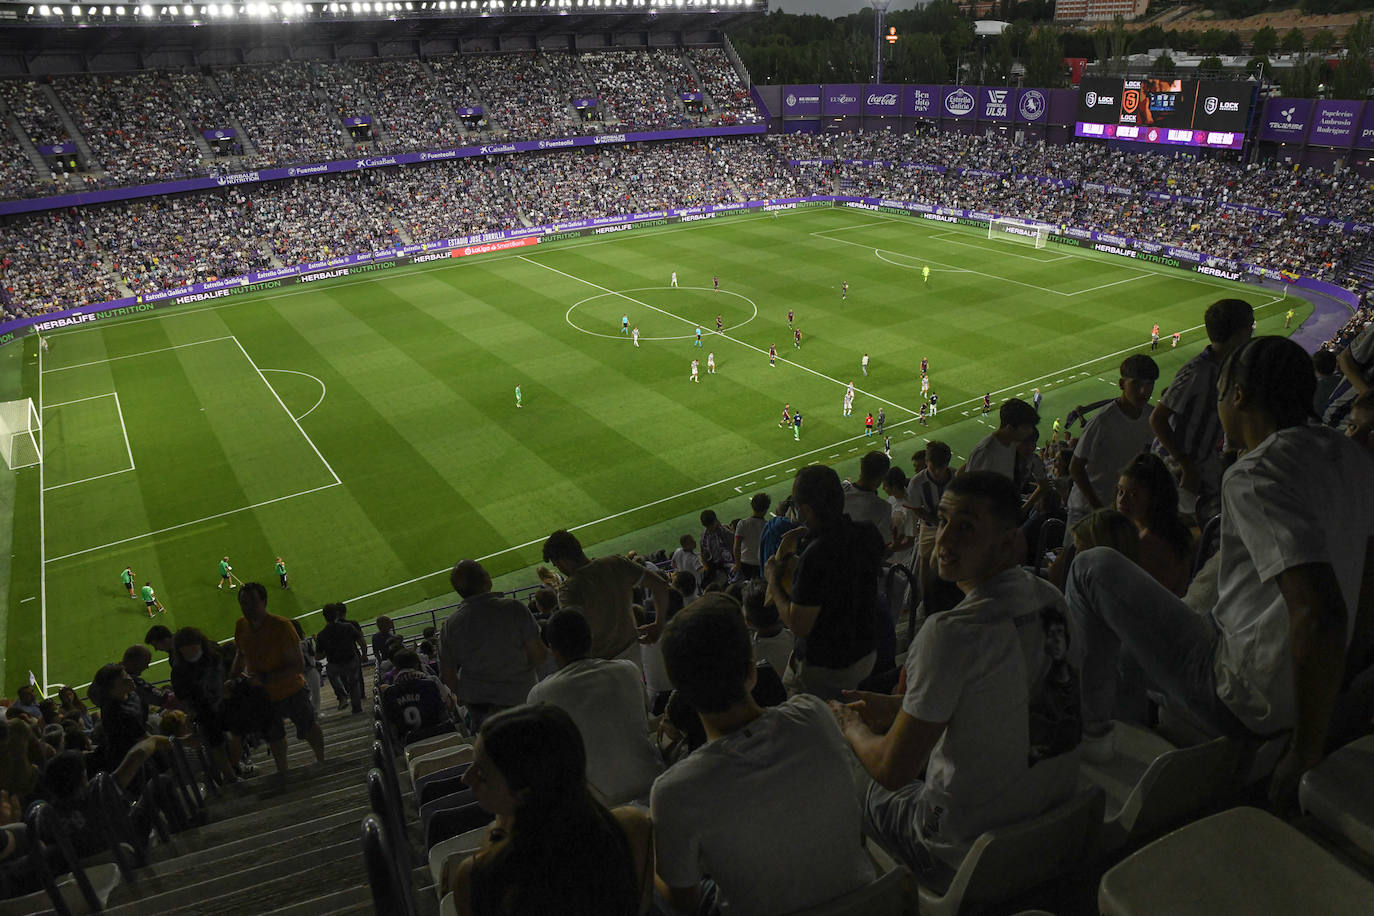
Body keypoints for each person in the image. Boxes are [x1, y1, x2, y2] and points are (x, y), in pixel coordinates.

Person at [1066, 337, 1374, 810]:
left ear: (1238, 396)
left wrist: (1306, 750)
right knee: (1155, 625)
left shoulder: (1257, 474)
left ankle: (1090, 735)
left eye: (1220, 392)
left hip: (1243, 694)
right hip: (1307, 682)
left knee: (1091, 567)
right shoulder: (1351, 456)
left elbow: (1320, 610)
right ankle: (1133, 721)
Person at [833, 471, 1081, 874]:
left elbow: (892, 771)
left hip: (963, 850)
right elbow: (1005, 695)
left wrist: (848, 725)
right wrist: (901, 706)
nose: (945, 539)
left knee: (846, 763)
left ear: (1008, 542)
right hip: (1053, 821)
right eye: (944, 520)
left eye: (965, 527)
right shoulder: (1050, 598)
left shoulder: (950, 633)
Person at [652, 595, 875, 914]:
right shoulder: (814, 714)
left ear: (682, 694)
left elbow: (683, 904)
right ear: (751, 670)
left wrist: (649, 857)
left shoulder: (672, 793)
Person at [439, 705, 652, 916]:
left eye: (482, 773)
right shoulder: (631, 827)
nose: (466, 778)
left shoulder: (476, 877)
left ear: (525, 791)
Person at [765, 464, 883, 700]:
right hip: (866, 652)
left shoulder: (816, 556)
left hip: (827, 669)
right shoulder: (869, 532)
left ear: (807, 510)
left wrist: (773, 581)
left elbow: (799, 626)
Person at [527, 611, 663, 805]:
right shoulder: (628, 669)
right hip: (652, 788)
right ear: (591, 639)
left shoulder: (539, 695)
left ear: (553, 649)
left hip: (601, 809)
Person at [1149, 298, 1253, 524]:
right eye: (1250, 328)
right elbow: (1157, 419)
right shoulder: (1198, 370)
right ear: (1239, 334)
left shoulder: (1228, 367)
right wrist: (1184, 463)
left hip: (1202, 464)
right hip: (1175, 468)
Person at [441, 560, 546, 730]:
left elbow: (448, 675)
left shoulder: (450, 625)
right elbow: (539, 655)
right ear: (486, 580)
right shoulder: (515, 608)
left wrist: (464, 694)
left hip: (479, 705)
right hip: (521, 695)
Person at [231, 582, 324, 773]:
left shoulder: (281, 626)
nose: (247, 608)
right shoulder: (241, 626)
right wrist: (232, 676)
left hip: (291, 690)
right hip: (262, 696)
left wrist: (265, 678)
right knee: (273, 735)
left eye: (252, 602)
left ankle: (322, 761)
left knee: (308, 727)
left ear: (264, 601)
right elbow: (240, 654)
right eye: (243, 603)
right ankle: (283, 771)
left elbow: (298, 665)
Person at [542, 529, 673, 665]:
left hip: (601, 665)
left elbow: (576, 635)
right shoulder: (616, 563)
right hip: (635, 656)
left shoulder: (568, 590)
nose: (558, 568)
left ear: (562, 560)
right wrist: (659, 624)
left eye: (556, 564)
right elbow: (661, 585)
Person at [1066, 355, 1158, 540]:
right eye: (1136, 384)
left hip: (1121, 510)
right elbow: (1075, 467)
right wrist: (1098, 508)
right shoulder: (1102, 421)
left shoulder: (1151, 417)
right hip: (1086, 510)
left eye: (1149, 384)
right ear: (1122, 384)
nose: (1143, 391)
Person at [1115, 453, 1193, 597]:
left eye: (1133, 494)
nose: (1122, 500)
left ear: (1155, 499)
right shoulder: (1168, 531)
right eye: (1120, 491)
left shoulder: (1149, 544)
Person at [170, 627, 233, 782]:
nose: (189, 650)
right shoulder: (179, 671)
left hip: (226, 705)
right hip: (205, 713)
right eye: (184, 647)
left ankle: (237, 766)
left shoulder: (215, 656)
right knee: (217, 745)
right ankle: (231, 776)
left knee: (234, 738)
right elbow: (183, 696)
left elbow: (229, 672)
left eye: (191, 645)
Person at [382, 649, 457, 745]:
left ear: (396, 668)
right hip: (441, 737)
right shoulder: (431, 682)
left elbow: (392, 726)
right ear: (417, 664)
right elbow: (449, 705)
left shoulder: (390, 692)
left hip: (411, 744)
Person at [964, 397, 1039, 480]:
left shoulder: (1012, 445)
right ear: (1010, 428)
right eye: (1026, 428)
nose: (1030, 432)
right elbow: (970, 488)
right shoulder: (985, 452)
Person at [317, 602, 366, 713]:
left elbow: (319, 656)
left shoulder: (322, 634)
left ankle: (342, 696)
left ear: (324, 616)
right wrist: (364, 655)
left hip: (335, 664)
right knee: (354, 683)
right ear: (337, 614)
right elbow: (361, 642)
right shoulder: (348, 627)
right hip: (351, 660)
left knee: (331, 672)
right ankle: (357, 708)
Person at [733, 493, 770, 580]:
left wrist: (737, 564)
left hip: (744, 563)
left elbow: (736, 546)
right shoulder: (768, 526)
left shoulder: (743, 523)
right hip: (760, 565)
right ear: (766, 509)